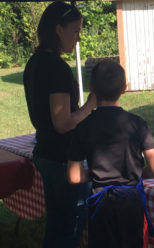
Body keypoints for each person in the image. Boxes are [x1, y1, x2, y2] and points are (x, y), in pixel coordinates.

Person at [67, 59, 154, 248]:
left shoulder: (83, 127)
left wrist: (97, 174)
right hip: (130, 201)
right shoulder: (138, 123)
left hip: (100, 203)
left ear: (91, 88)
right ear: (124, 88)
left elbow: (74, 176)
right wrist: (134, 173)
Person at [23, 2, 97, 248]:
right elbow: (63, 123)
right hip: (63, 159)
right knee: (69, 231)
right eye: (75, 31)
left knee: (56, 226)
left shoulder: (34, 62)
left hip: (45, 152)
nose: (78, 38)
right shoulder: (56, 68)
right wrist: (89, 106)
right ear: (58, 30)